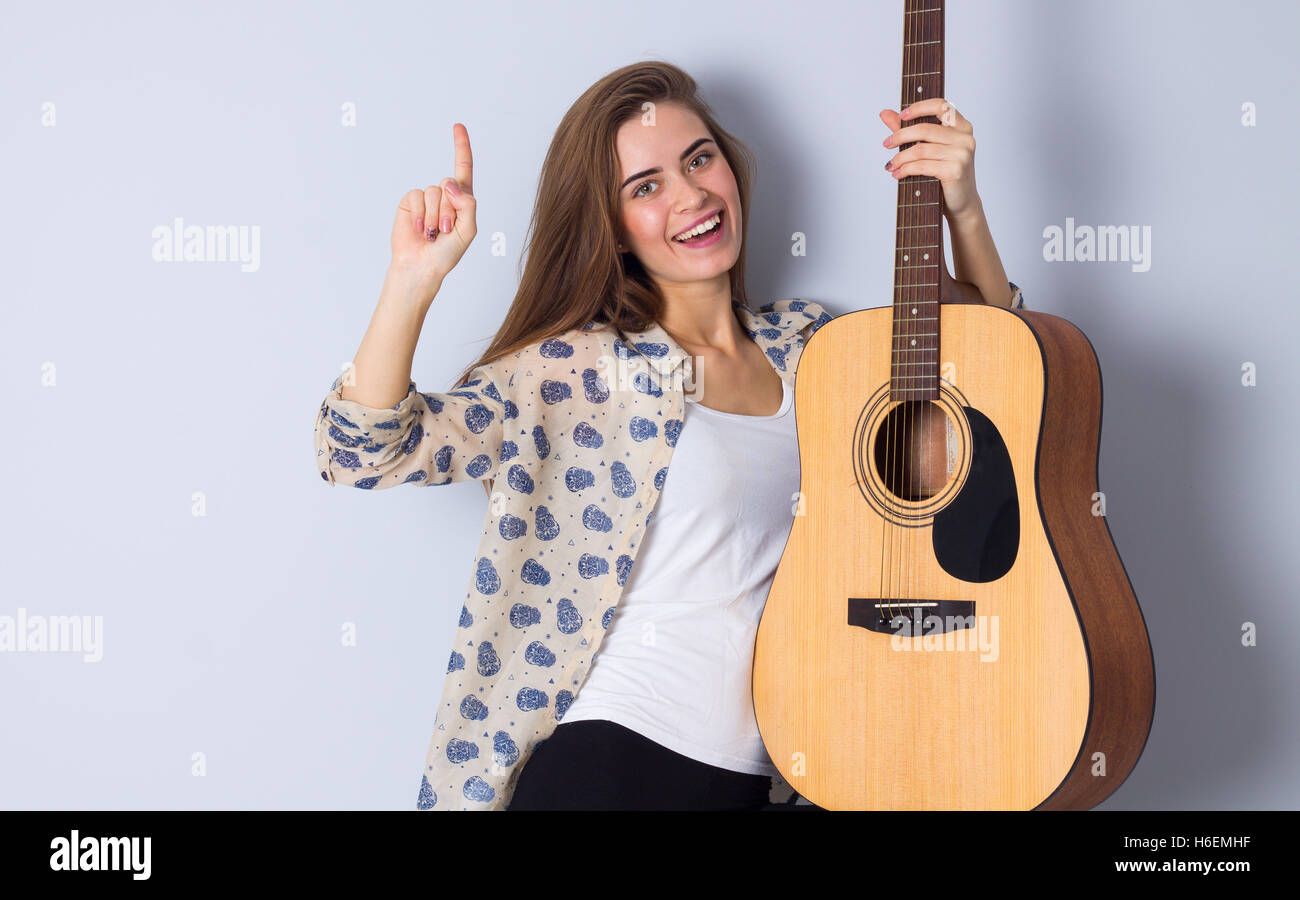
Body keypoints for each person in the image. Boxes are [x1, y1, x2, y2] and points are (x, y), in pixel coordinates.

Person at [313, 60, 1025, 811]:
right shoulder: (574, 367)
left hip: (780, 775)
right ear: (612, 228)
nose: (691, 196)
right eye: (645, 187)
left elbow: (996, 388)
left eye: (699, 159)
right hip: (613, 761)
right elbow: (360, 452)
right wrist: (411, 280)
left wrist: (964, 211)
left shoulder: (818, 348)